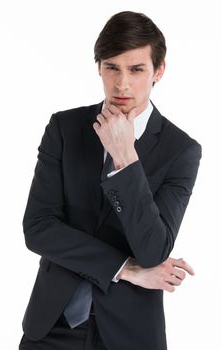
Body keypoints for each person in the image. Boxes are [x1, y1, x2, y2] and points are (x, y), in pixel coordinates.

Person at [19, 10, 201, 350]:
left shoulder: (182, 151)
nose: (122, 84)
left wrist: (125, 159)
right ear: (99, 67)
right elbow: (39, 228)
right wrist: (126, 269)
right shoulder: (65, 129)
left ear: (158, 71)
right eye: (112, 67)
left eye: (136, 69)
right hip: (52, 326)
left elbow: (152, 249)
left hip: (130, 334)